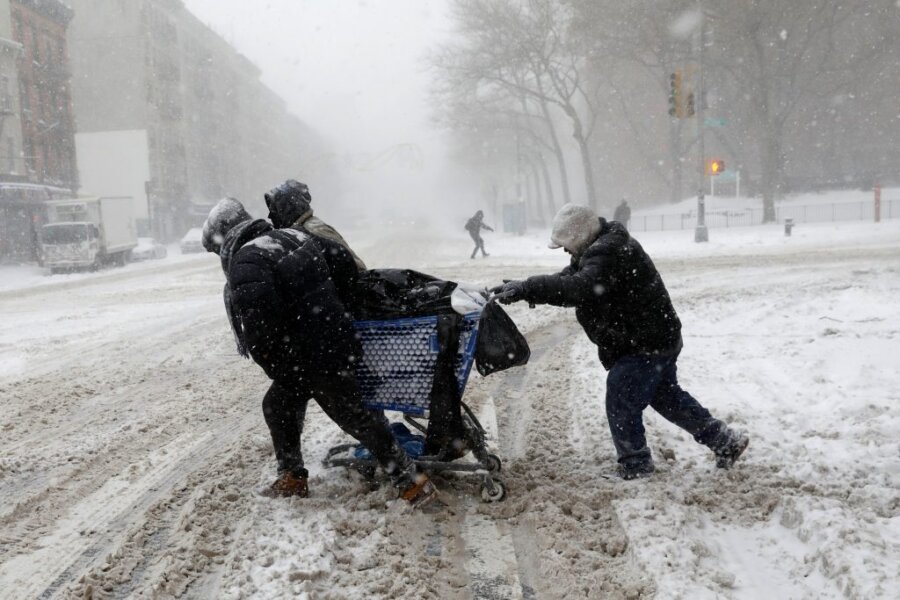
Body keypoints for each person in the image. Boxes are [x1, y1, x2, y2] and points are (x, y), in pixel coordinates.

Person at [201, 197, 436, 506]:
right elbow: (341, 259)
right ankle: (292, 477)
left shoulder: (247, 261)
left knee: (355, 417)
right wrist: (336, 308)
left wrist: (287, 370)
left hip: (311, 356)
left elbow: (260, 333)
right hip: (332, 342)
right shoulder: (292, 235)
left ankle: (412, 482)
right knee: (280, 405)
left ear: (225, 238)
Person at [492, 203, 748, 480]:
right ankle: (725, 442)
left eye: (566, 244)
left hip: (644, 343)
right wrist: (524, 287)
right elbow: (570, 279)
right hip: (654, 337)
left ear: (580, 234)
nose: (565, 250)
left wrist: (528, 288)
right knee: (666, 396)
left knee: (622, 396)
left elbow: (579, 287)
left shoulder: (608, 251)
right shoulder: (600, 248)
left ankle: (636, 466)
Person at [264, 179, 367, 271]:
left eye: (274, 210)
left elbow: (356, 267)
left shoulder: (314, 230)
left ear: (288, 207)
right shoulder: (299, 233)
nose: (270, 216)